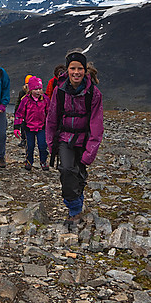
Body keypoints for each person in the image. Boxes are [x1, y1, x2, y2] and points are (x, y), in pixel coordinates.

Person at [46, 50, 103, 229]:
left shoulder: (94, 93)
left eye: (80, 68)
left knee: (78, 173)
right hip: (64, 137)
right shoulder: (59, 91)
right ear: (67, 70)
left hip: (84, 139)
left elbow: (96, 123)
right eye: (73, 68)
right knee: (65, 169)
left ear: (86, 71)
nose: (76, 72)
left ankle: (76, 201)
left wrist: (90, 152)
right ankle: (75, 209)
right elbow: (52, 117)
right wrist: (50, 143)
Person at [13, 76, 49, 171]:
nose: (38, 91)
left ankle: (43, 161)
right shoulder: (25, 100)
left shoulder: (45, 99)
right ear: (31, 89)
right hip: (29, 127)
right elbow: (19, 113)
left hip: (42, 127)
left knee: (43, 145)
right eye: (36, 89)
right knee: (30, 146)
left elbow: (50, 113)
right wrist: (16, 127)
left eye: (40, 89)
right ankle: (29, 161)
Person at [15, 75, 32, 148]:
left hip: (30, 113)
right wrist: (16, 112)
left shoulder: (34, 93)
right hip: (23, 113)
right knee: (23, 126)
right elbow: (18, 102)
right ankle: (23, 139)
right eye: (27, 83)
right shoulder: (22, 92)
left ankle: (29, 140)